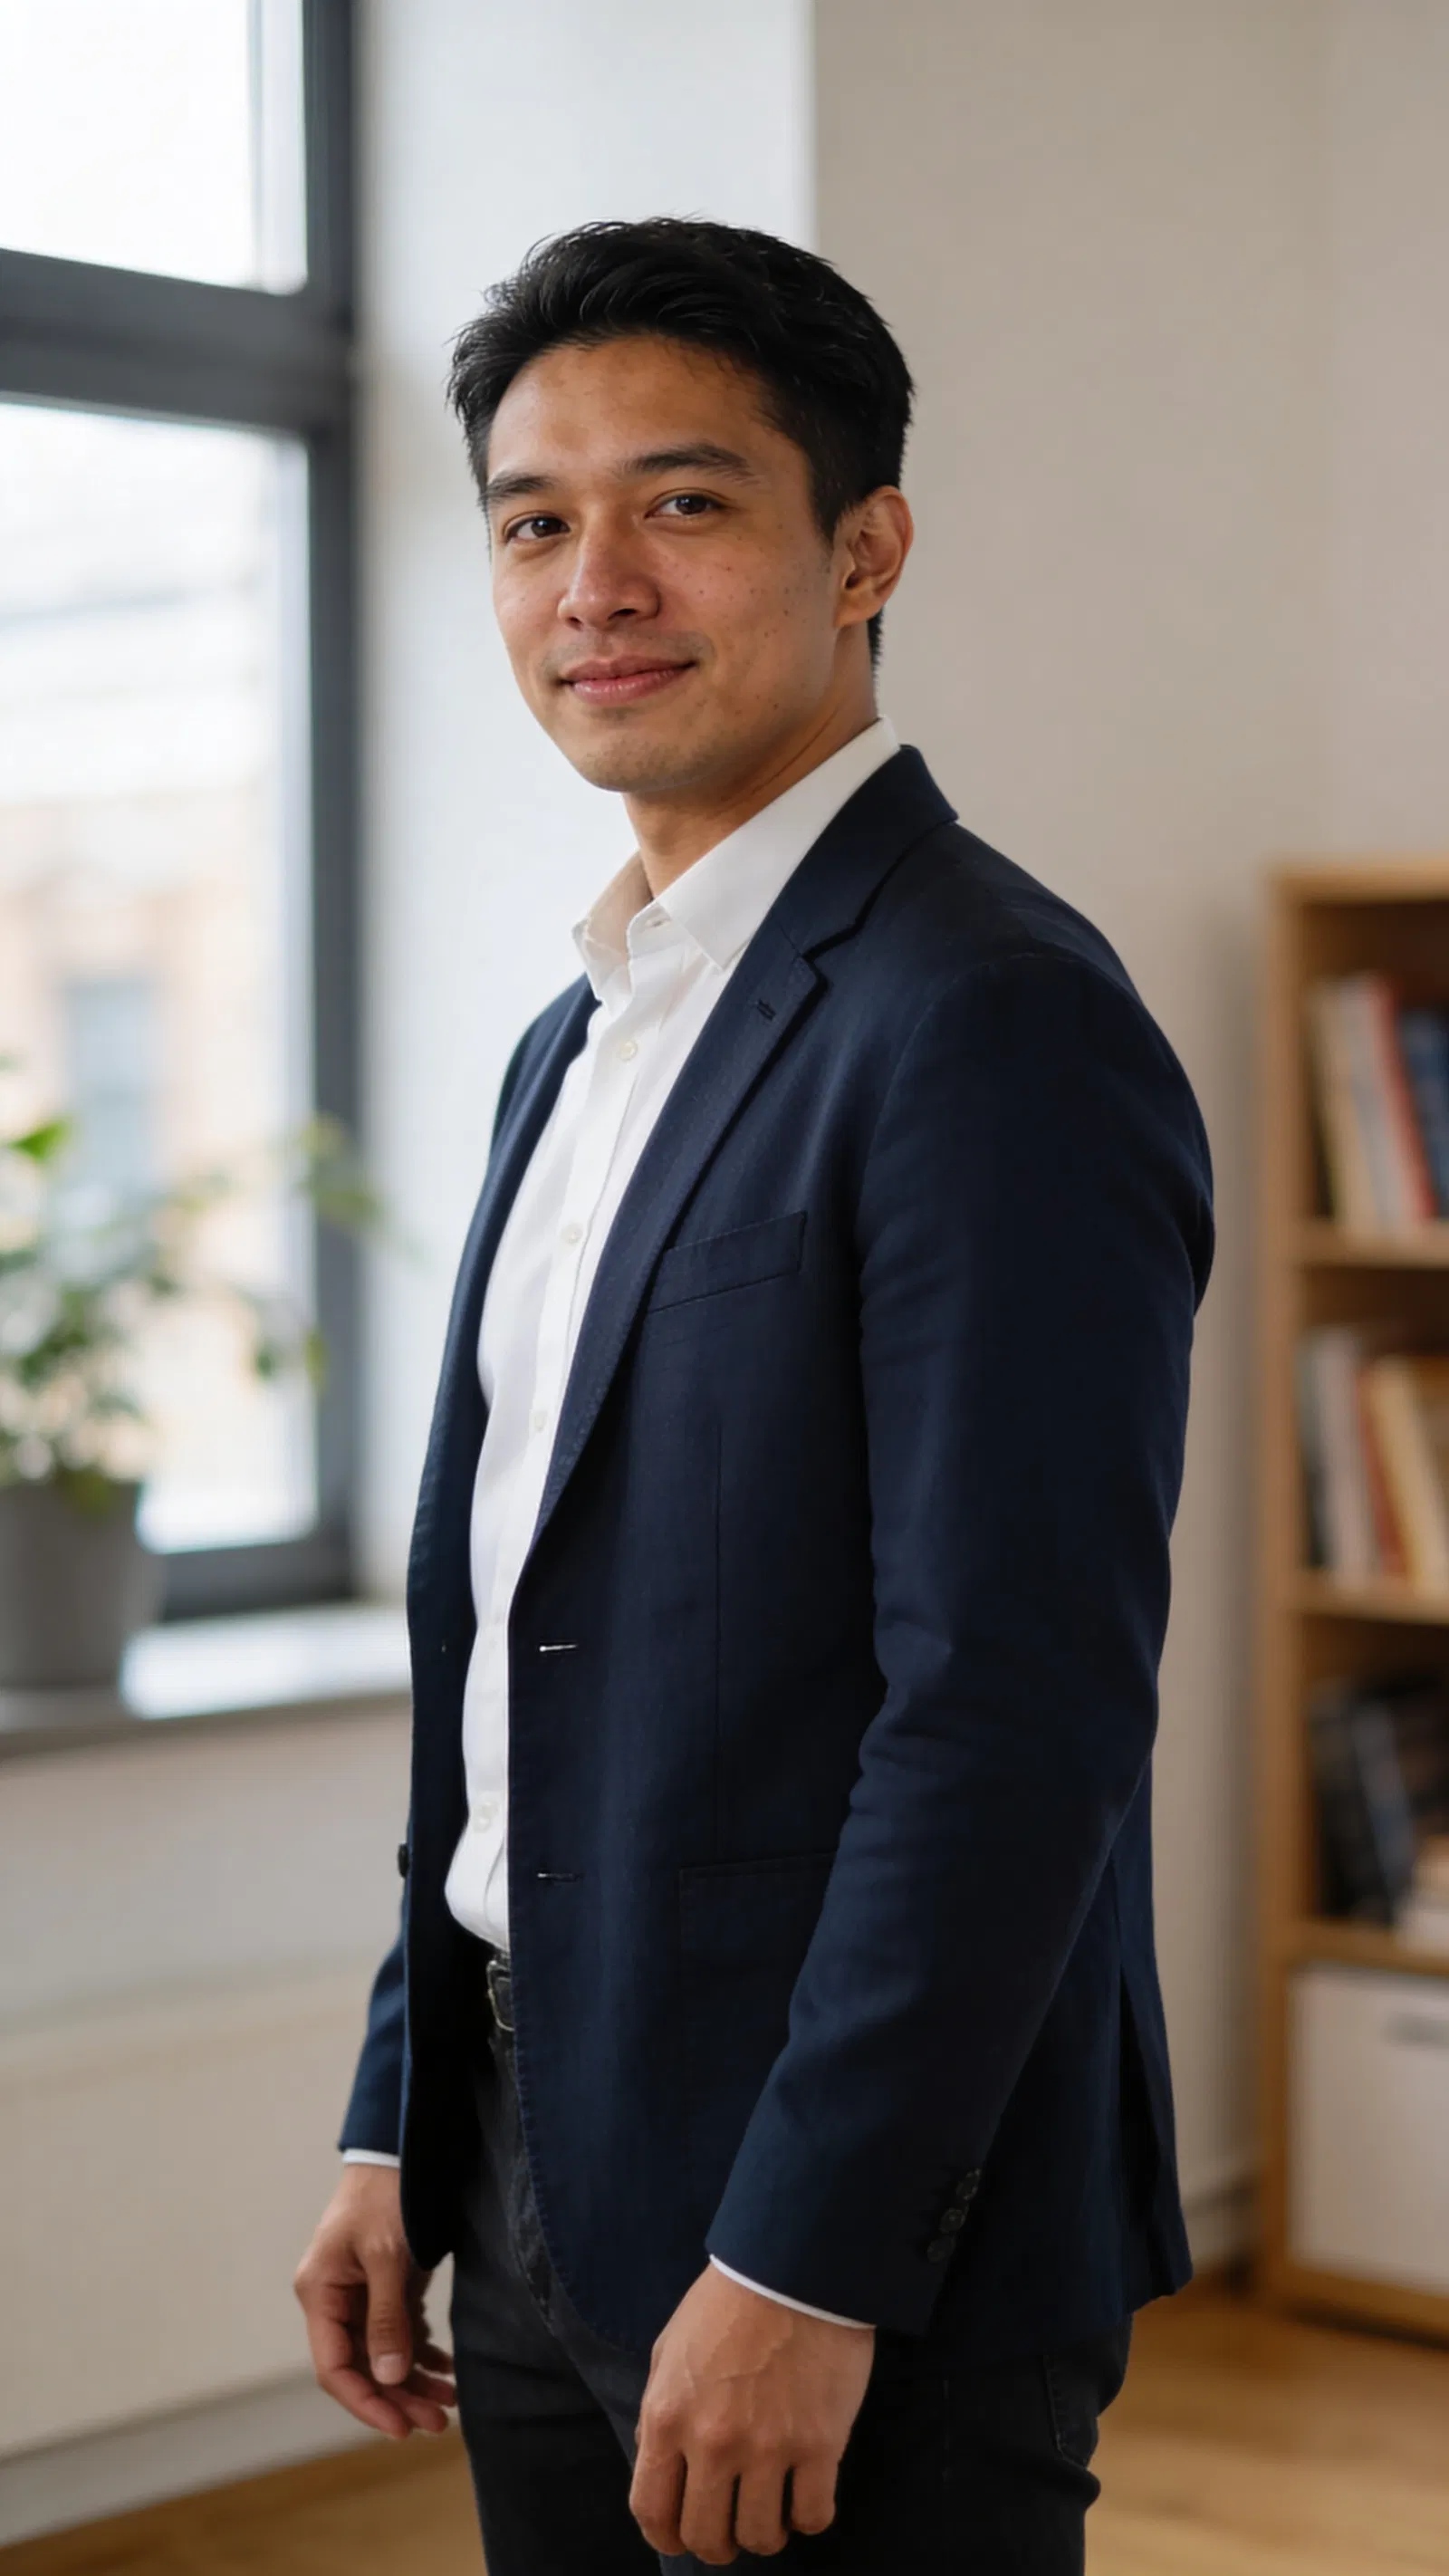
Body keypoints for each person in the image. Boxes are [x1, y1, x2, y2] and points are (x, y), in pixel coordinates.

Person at [293, 216, 1214, 2573]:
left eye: (684, 502)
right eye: (533, 520)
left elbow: (1010, 1709)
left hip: (843, 2231)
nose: (594, 578)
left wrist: (812, 2245)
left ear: (866, 541)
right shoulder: (583, 1029)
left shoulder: (987, 1014)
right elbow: (519, 1636)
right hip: (534, 2158)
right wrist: (407, 2113)